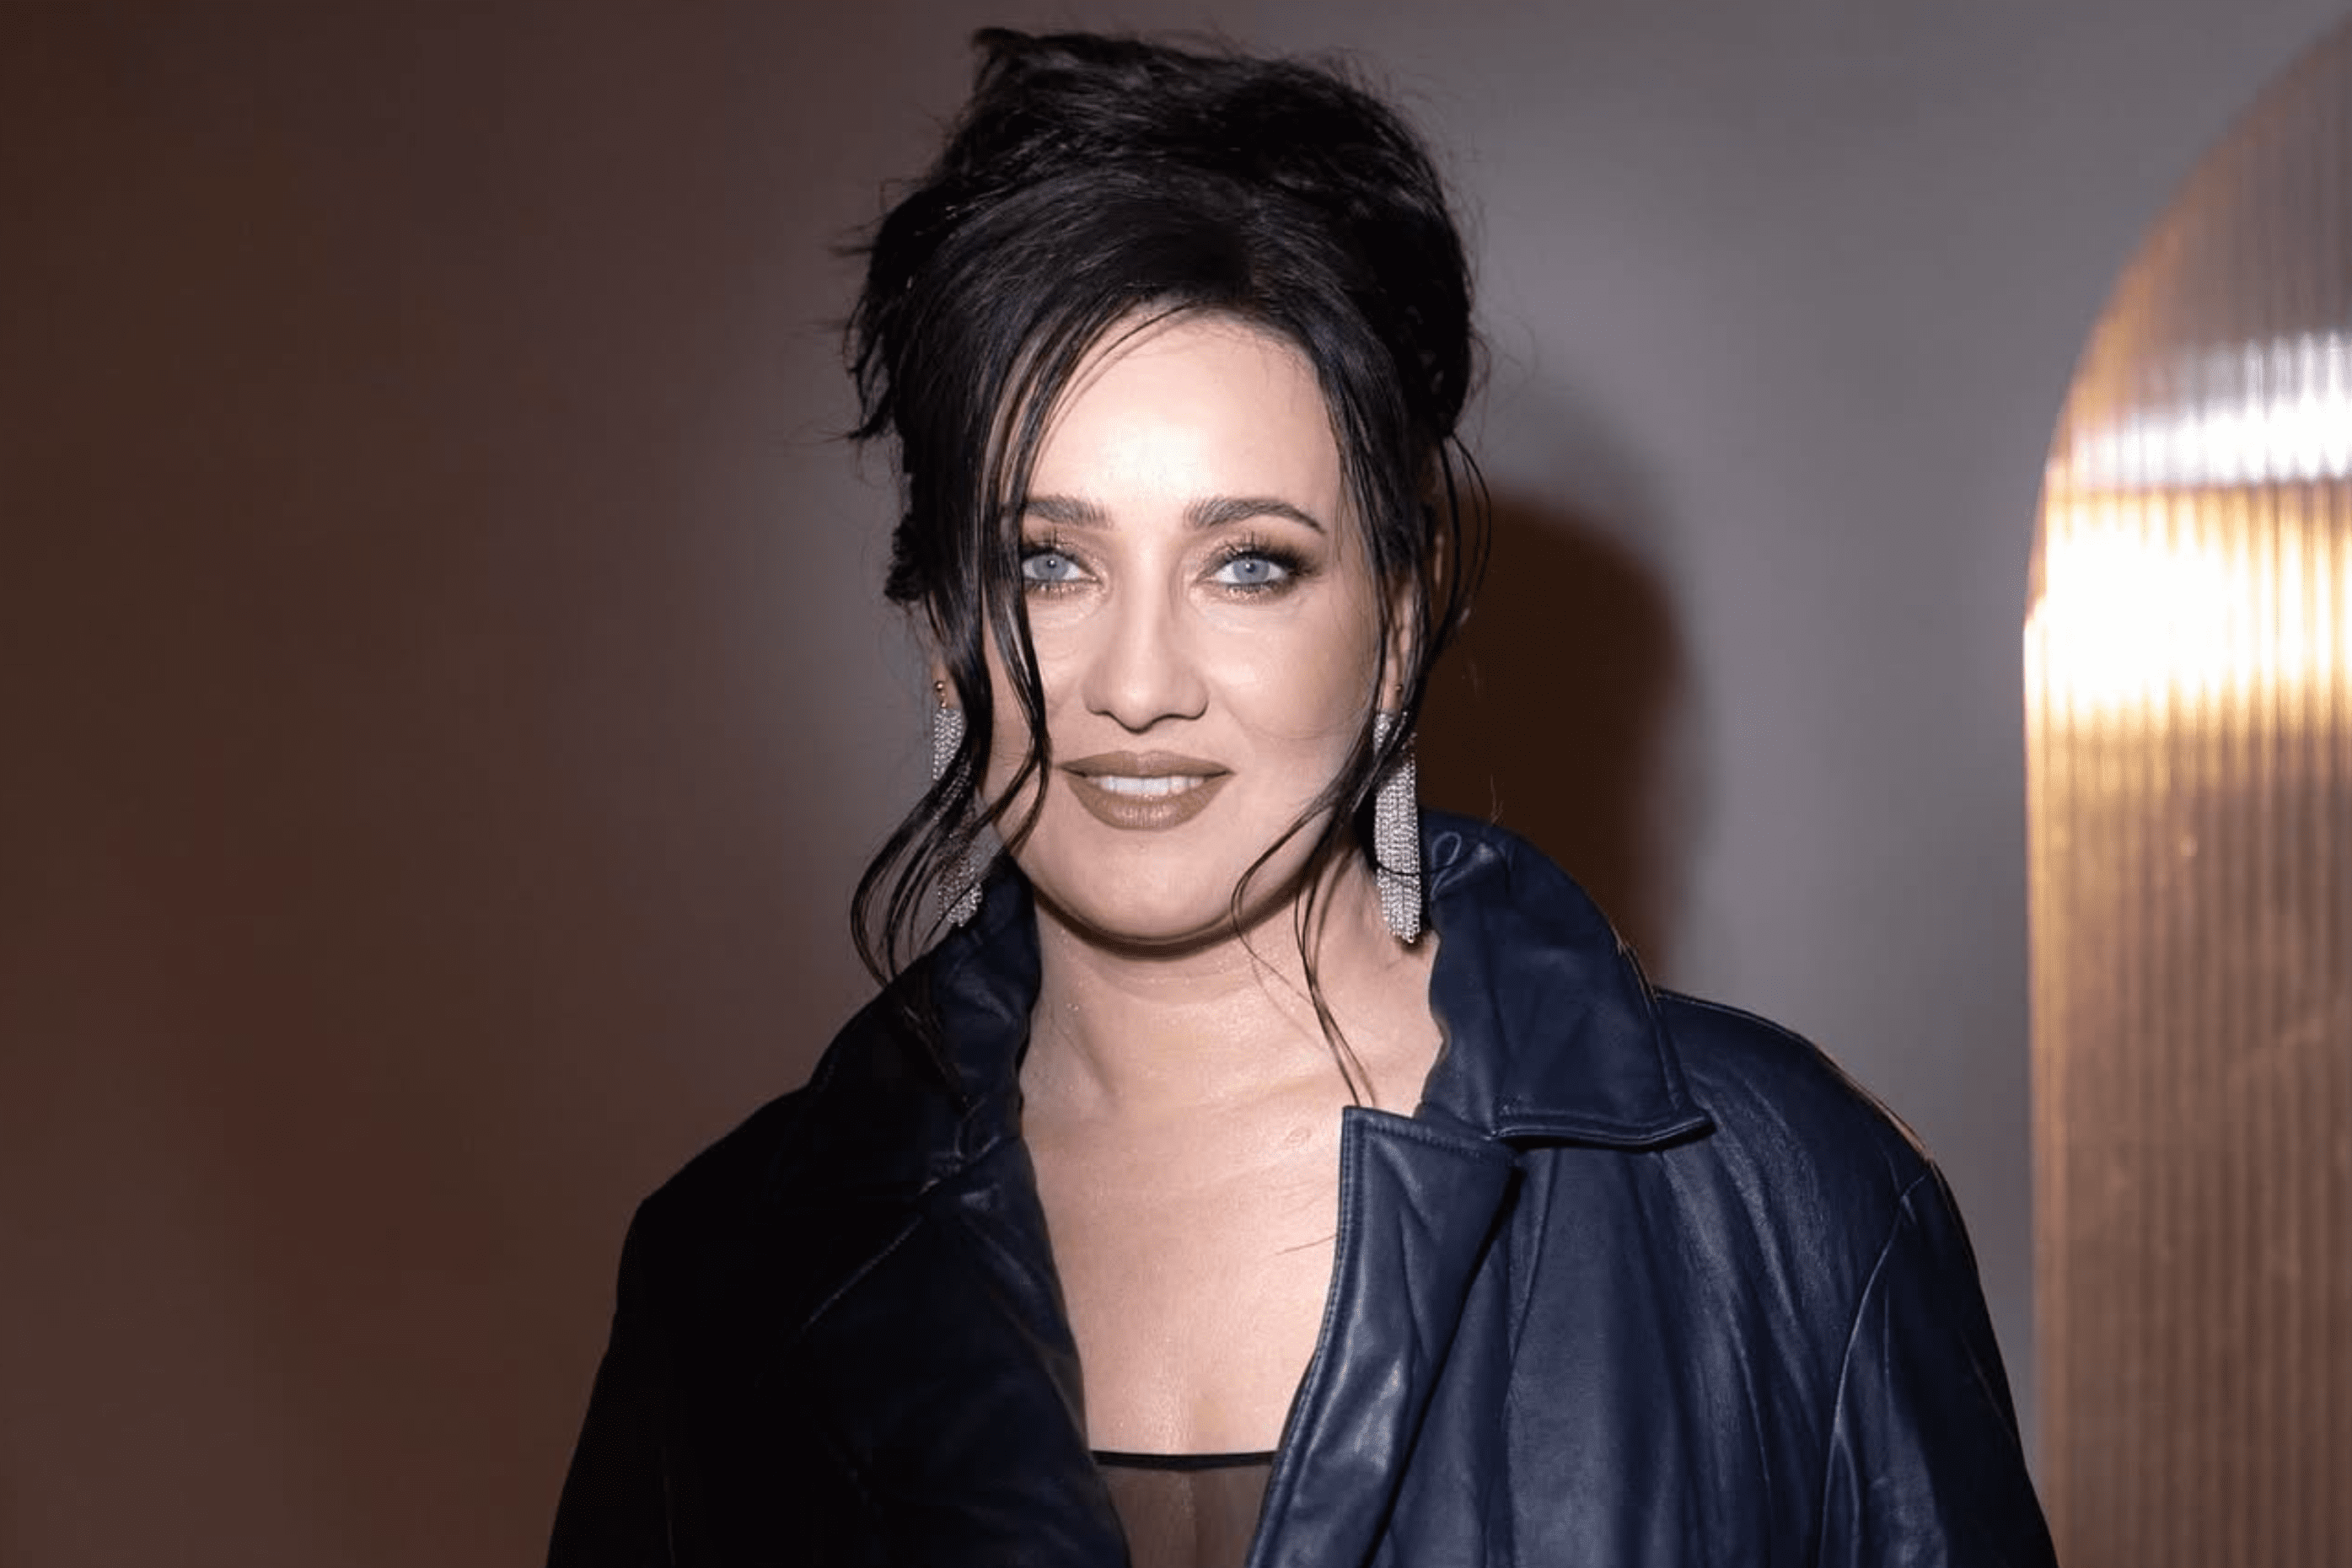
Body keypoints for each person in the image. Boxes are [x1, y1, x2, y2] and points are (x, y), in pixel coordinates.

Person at [549, 29, 2055, 1567]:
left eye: (1248, 565)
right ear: (943, 634)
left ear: (1396, 621)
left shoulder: (1780, 1202)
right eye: (1047, 562)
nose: (1139, 681)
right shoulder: (726, 1274)